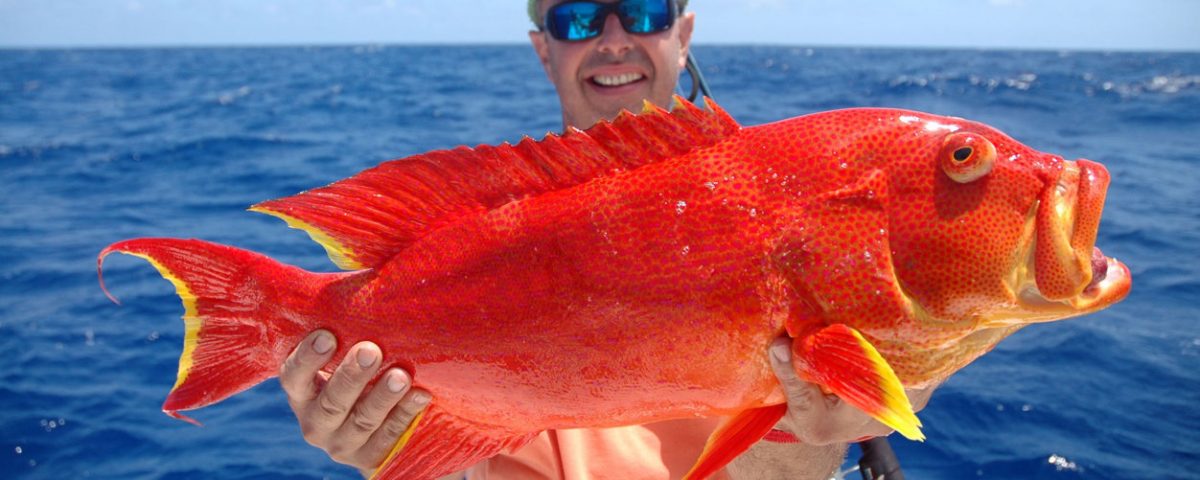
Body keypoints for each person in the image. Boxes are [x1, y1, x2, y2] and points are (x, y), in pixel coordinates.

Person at [277, 1, 936, 478]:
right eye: (577, 19)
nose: (614, 39)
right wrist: (385, 443)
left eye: (643, 12)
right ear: (544, 47)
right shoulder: (486, 227)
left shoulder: (793, 212)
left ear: (684, 34)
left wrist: (805, 426)